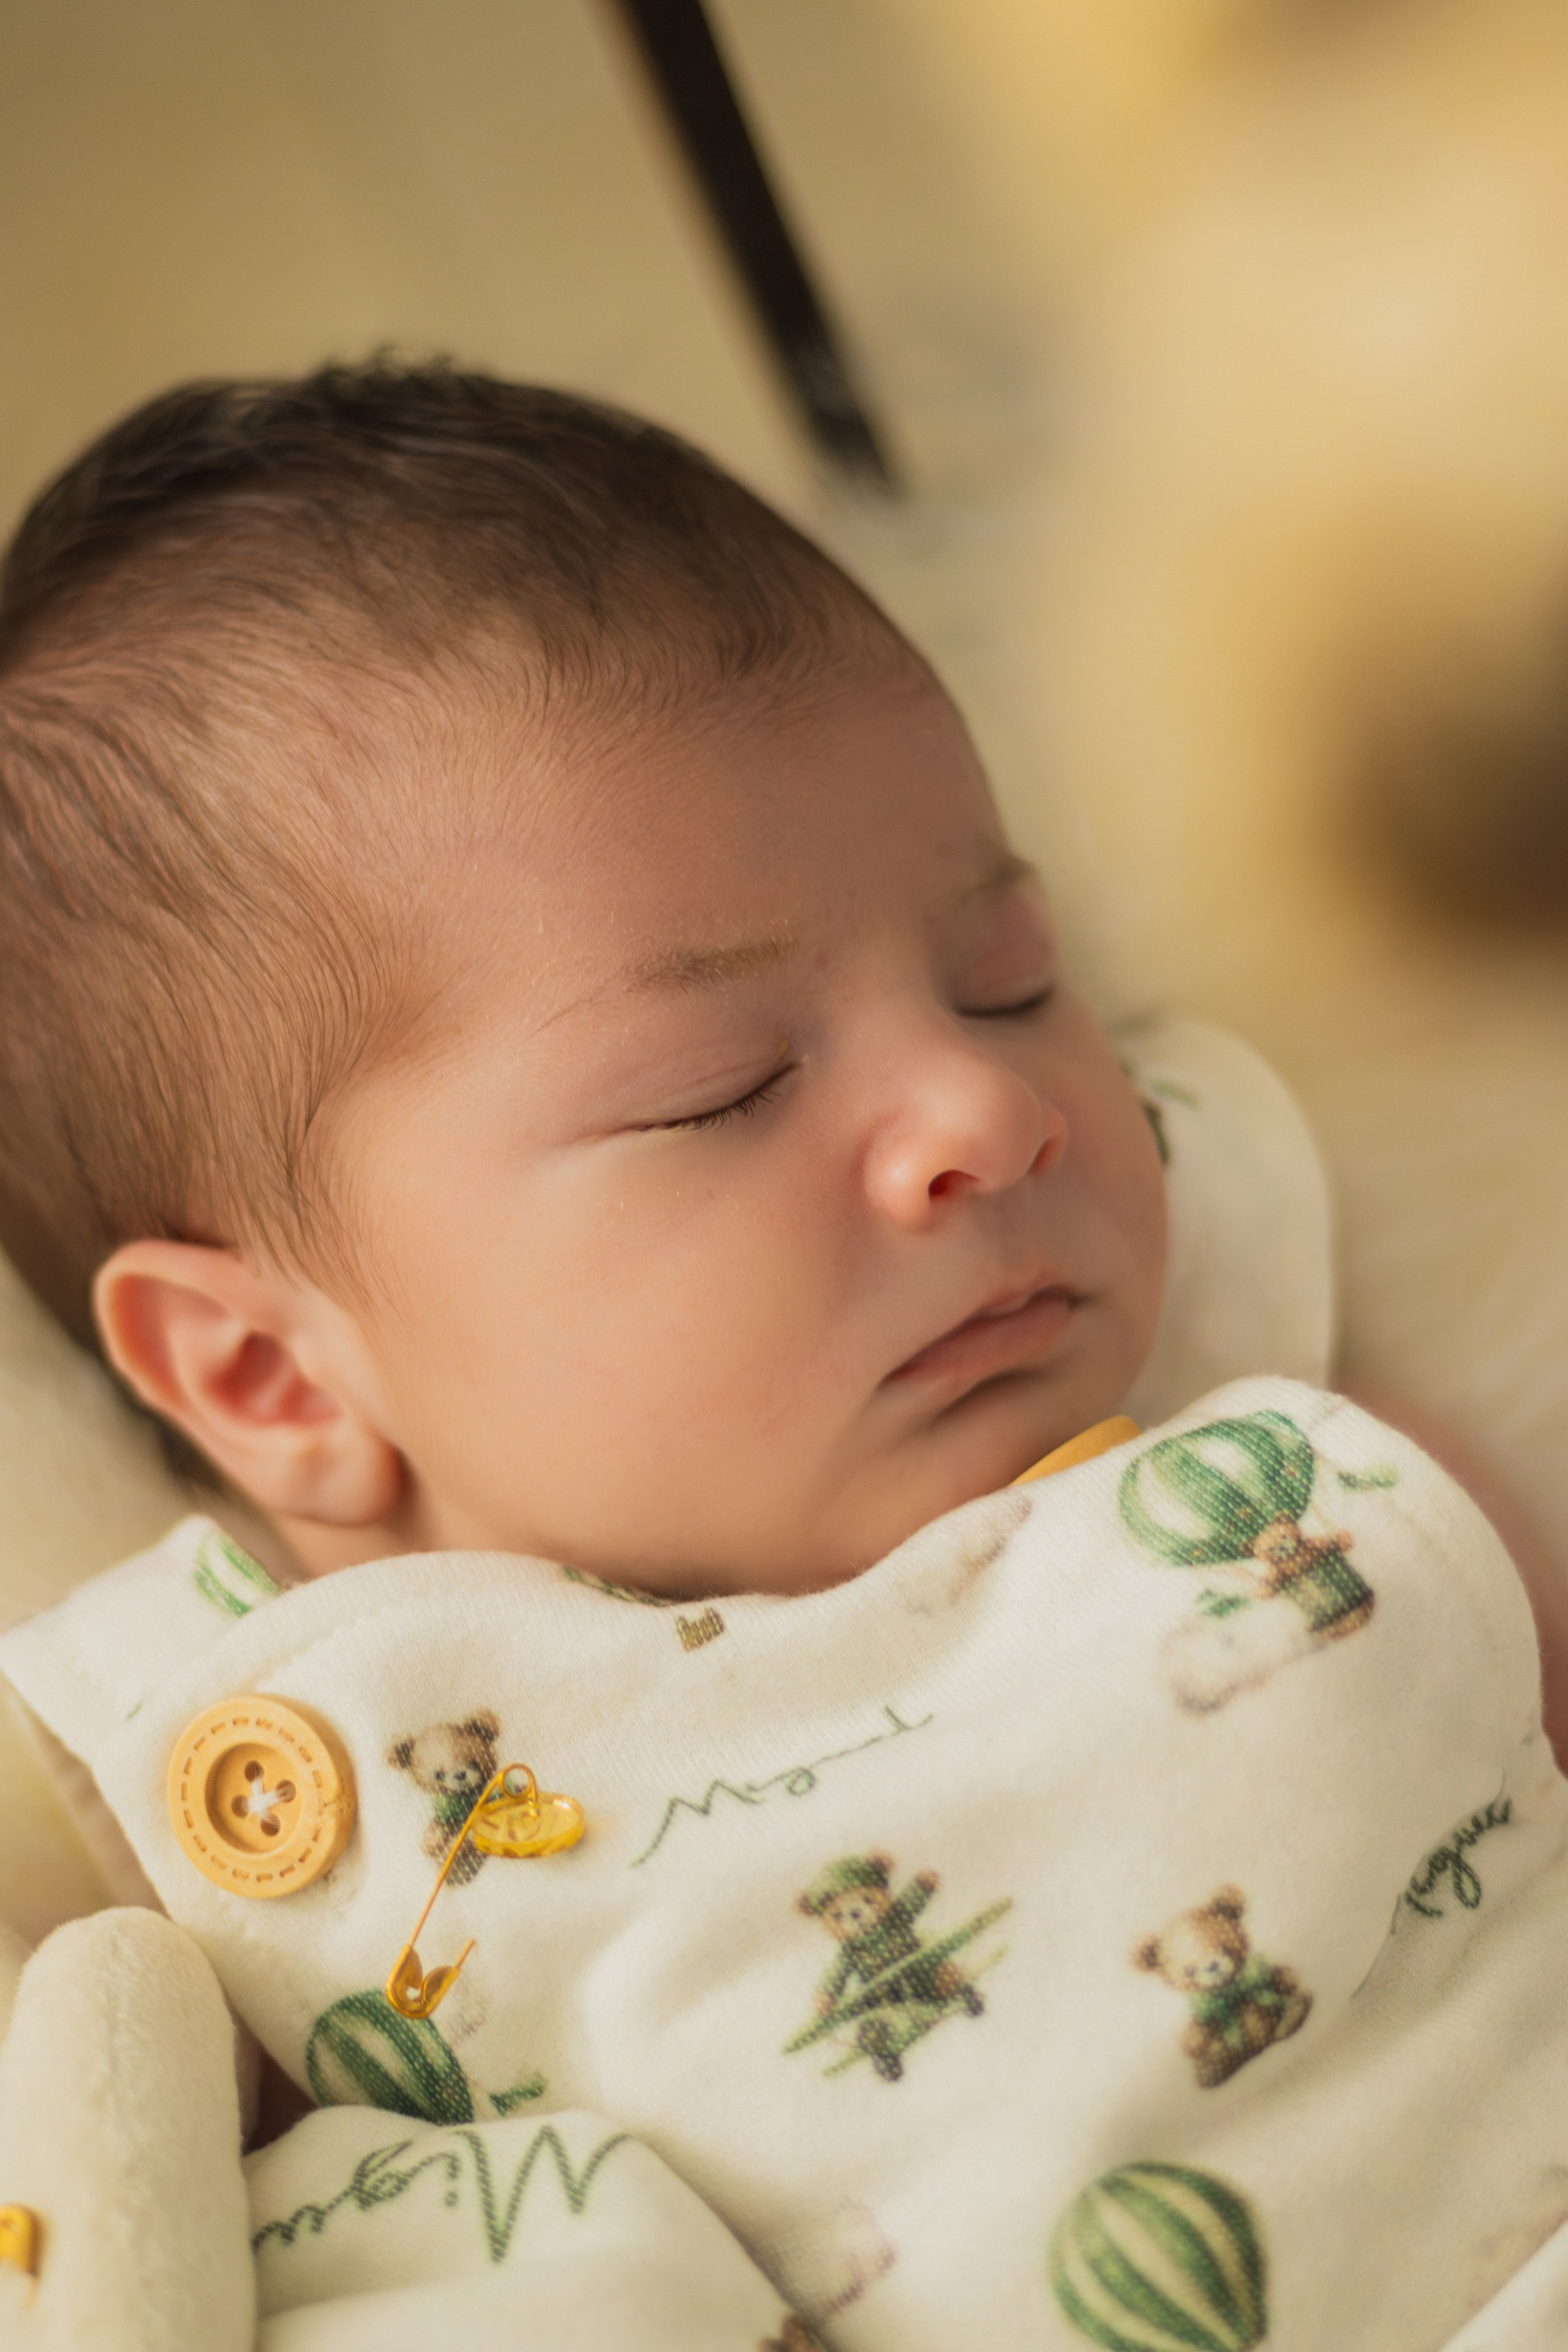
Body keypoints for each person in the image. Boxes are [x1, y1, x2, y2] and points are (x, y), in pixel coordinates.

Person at [0, 366, 1564, 2351]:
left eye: (1010, 981)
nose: (985, 1113)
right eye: (722, 1089)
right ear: (273, 1381)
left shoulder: (1300, 1473)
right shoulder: (324, 1827)